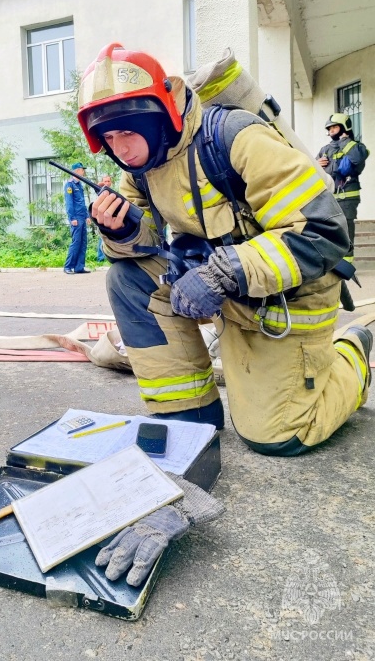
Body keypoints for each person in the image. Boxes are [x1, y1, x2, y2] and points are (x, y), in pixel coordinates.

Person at [76, 42, 372, 456]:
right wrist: (123, 230)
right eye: (109, 137)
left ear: (161, 115)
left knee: (278, 437)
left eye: (128, 131)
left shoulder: (234, 137)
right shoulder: (141, 170)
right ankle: (189, 410)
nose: (121, 149)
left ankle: (351, 354)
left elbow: (321, 231)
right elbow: (145, 243)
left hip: (288, 297)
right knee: (126, 278)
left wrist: (223, 272)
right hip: (224, 290)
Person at [317, 113, 369, 259]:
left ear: (344, 127)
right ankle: (332, 261)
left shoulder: (357, 146)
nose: (331, 130)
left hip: (347, 198)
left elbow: (357, 159)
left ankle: (347, 264)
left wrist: (344, 141)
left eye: (335, 127)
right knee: (329, 229)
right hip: (329, 198)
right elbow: (312, 171)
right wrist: (317, 165)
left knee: (346, 230)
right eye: (330, 128)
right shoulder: (325, 149)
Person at [63, 162, 91, 274]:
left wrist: (87, 216)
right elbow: (69, 203)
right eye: (81, 169)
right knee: (76, 242)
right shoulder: (69, 185)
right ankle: (68, 267)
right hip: (76, 218)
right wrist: (72, 218)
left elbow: (82, 203)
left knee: (83, 242)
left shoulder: (79, 184)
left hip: (82, 217)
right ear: (76, 171)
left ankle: (79, 267)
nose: (83, 171)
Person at [96, 174, 112, 262]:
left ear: (111, 182)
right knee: (101, 237)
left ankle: (109, 256)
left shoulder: (113, 191)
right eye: (105, 181)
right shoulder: (100, 190)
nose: (107, 183)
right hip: (102, 218)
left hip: (110, 217)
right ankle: (100, 258)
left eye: (108, 181)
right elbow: (96, 188)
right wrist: (99, 185)